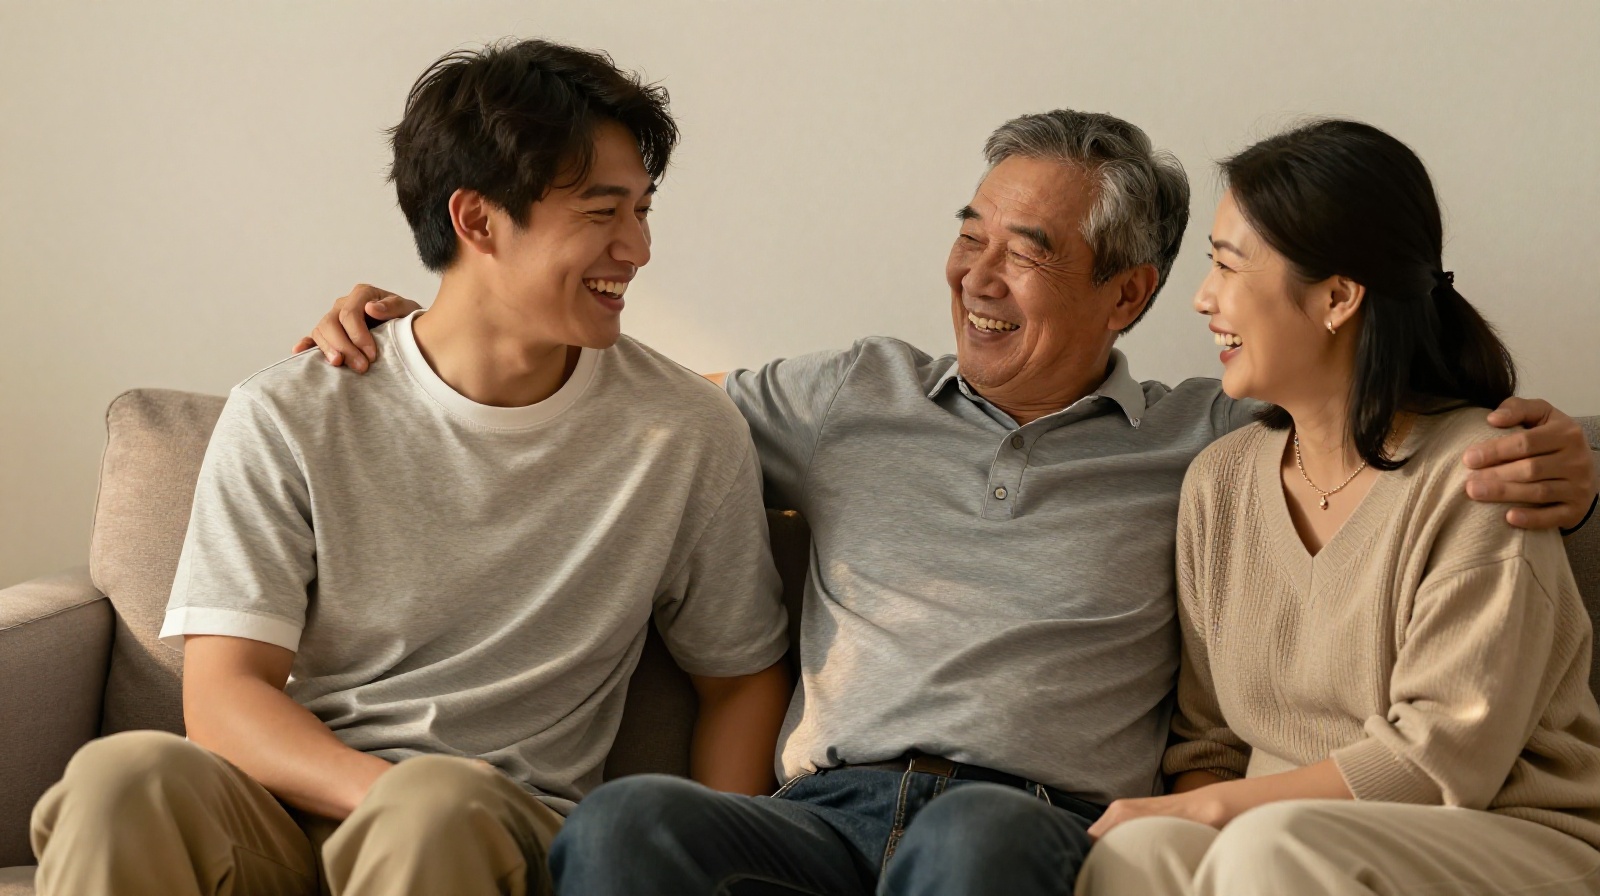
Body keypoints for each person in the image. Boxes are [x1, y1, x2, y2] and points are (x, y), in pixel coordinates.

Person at [302, 110, 1599, 895]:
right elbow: (624, 395)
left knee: (972, 849)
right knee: (635, 823)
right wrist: (431, 326)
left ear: (1128, 295)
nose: (975, 272)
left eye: (1025, 251)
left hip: (1028, 818)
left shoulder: (1204, 436)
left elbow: (1385, 429)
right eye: (970, 231)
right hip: (826, 807)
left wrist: (1566, 463)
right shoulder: (847, 394)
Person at [28, 39, 791, 896]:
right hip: (295, 808)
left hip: (500, 823)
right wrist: (378, 793)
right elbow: (224, 696)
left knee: (433, 808)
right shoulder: (292, 411)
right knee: (119, 780)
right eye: (602, 213)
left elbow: (741, 681)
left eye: (644, 210)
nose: (639, 248)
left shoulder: (681, 431)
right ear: (476, 221)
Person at [1075, 119, 1600, 896]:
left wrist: (1227, 811)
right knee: (1139, 852)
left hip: (1504, 838)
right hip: (1279, 849)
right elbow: (1208, 747)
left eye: (1227, 266)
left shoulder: (1482, 475)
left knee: (1270, 847)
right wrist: (1202, 825)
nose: (1202, 298)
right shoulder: (1219, 485)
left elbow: (1438, 760)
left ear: (1338, 298)